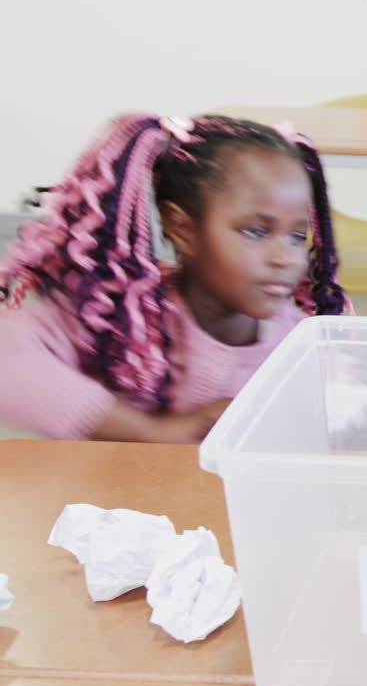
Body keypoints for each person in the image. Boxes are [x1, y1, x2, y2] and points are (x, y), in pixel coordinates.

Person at [0, 114, 347, 442]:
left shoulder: (300, 344)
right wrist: (151, 432)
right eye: (256, 232)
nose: (284, 257)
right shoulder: (114, 312)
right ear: (181, 229)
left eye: (297, 237)